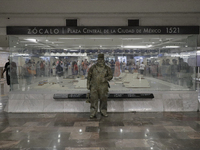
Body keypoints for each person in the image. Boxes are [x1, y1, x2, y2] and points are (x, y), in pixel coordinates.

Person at [87, 54, 113, 118]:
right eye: (99, 59)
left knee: (103, 99)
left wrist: (106, 78)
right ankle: (93, 112)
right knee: (93, 99)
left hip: (103, 86)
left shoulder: (107, 68)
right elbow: (88, 77)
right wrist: (88, 85)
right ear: (97, 60)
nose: (100, 61)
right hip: (94, 86)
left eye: (102, 59)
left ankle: (103, 111)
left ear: (103, 60)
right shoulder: (93, 67)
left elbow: (111, 76)